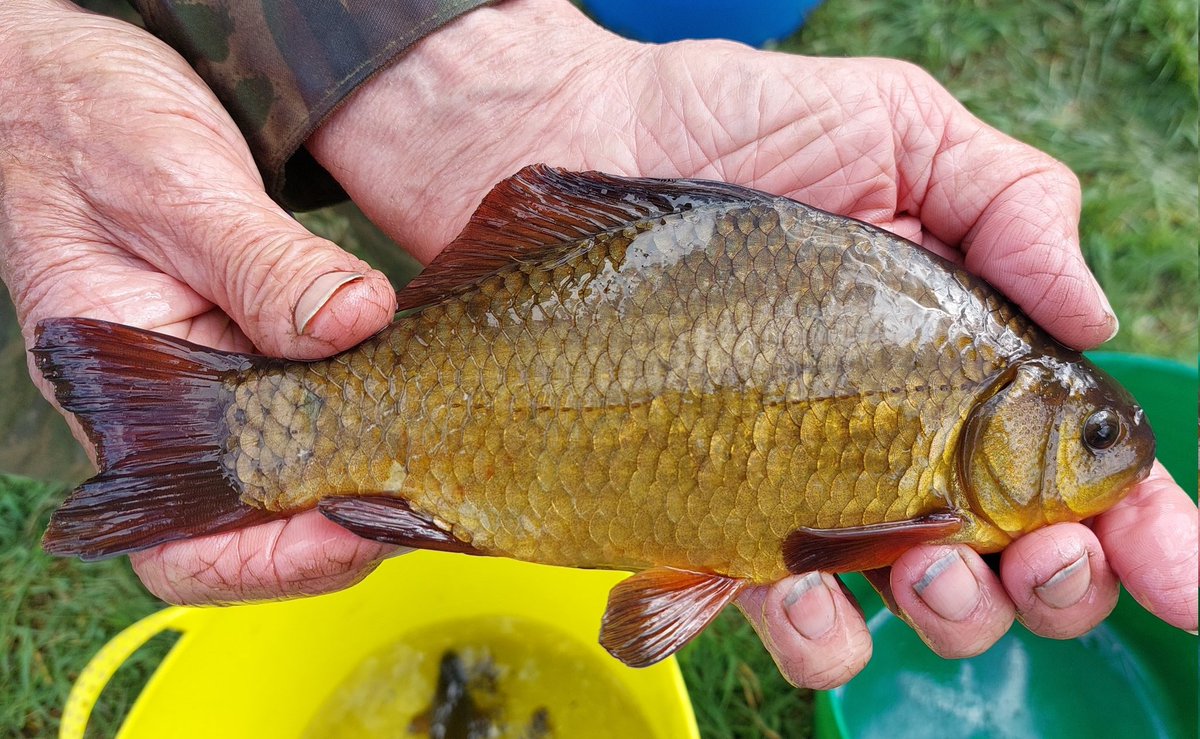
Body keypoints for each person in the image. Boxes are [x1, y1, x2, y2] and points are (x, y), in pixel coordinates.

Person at [0, 0, 1194, 689]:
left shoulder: (951, 358)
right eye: (1093, 430)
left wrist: (452, 63)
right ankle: (188, 431)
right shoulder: (953, 427)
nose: (1109, 446)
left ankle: (176, 433)